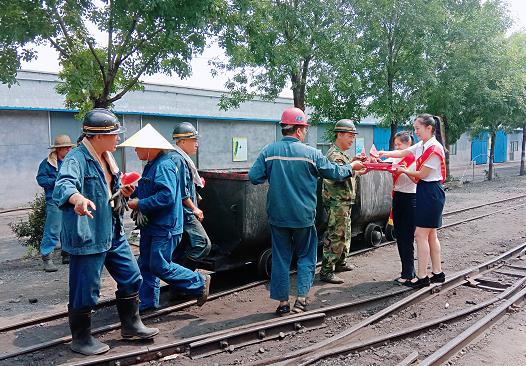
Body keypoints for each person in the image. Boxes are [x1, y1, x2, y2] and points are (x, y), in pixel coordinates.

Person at [53, 109, 159, 356]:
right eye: (114, 134)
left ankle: (131, 325)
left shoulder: (107, 157)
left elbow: (109, 188)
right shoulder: (76, 159)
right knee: (85, 289)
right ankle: (81, 339)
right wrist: (78, 199)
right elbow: (64, 185)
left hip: (112, 231)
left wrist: (122, 190)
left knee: (132, 276)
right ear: (98, 136)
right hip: (88, 235)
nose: (118, 139)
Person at [248, 107, 365, 316]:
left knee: (281, 258)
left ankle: (283, 303)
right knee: (305, 257)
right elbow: (335, 173)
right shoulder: (311, 153)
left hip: (278, 216)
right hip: (303, 216)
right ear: (300, 130)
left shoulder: (268, 151)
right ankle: (301, 300)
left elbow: (254, 177)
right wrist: (352, 167)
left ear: (284, 128)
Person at [121, 124, 211, 312]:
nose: (136, 150)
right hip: (153, 226)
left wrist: (139, 204)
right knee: (145, 264)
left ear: (149, 147)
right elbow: (149, 190)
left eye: (138, 147)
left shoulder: (164, 165)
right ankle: (147, 303)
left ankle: (199, 283)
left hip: (165, 226)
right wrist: (133, 192)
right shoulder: (152, 165)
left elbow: (167, 196)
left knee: (159, 265)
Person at [379, 114, 446, 288]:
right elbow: (404, 152)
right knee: (431, 234)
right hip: (428, 191)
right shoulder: (424, 145)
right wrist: (383, 153)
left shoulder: (433, 148)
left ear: (429, 128)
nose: (415, 132)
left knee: (420, 235)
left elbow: (422, 174)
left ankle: (422, 277)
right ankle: (437, 273)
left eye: (417, 128)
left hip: (429, 191)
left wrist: (404, 170)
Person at [320, 119, 366, 284]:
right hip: (337, 202)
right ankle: (326, 270)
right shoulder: (334, 155)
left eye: (353, 136)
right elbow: (338, 175)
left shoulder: (342, 155)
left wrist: (356, 168)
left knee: (345, 233)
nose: (352, 139)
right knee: (335, 234)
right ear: (339, 134)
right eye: (350, 135)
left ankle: (340, 262)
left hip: (344, 201)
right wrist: (353, 167)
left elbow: (346, 173)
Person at [170, 122, 211, 268]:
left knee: (181, 247)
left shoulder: (180, 158)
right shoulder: (179, 159)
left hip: (183, 212)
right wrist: (194, 208)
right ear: (182, 141)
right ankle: (183, 277)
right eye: (193, 140)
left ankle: (179, 280)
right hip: (185, 212)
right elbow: (181, 192)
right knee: (202, 243)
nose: (196, 144)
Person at [36, 134, 75, 271]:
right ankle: (47, 258)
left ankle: (66, 253)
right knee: (52, 229)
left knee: (68, 227)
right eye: (67, 148)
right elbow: (41, 179)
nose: (69, 150)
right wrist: (56, 182)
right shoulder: (46, 163)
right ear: (59, 149)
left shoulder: (71, 162)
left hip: (70, 199)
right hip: (54, 200)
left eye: (70, 147)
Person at [386, 131, 417, 285]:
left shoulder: (415, 158)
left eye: (399, 145)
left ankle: (409, 273)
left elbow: (418, 179)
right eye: (395, 145)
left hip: (411, 198)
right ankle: (407, 271)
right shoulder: (397, 157)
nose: (396, 147)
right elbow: (383, 162)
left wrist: (405, 170)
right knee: (400, 236)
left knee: (407, 238)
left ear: (407, 144)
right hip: (398, 197)